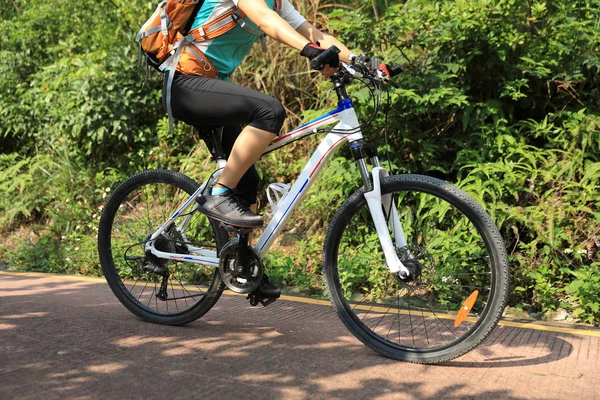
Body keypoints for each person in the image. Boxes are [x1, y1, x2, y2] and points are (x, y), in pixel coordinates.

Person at [166, 0, 353, 229]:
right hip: (186, 84)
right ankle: (219, 194)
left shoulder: (278, 3)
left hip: (211, 86)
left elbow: (317, 35)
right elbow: (265, 19)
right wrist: (308, 50)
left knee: (247, 182)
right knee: (270, 112)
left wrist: (359, 61)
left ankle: (239, 261)